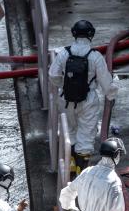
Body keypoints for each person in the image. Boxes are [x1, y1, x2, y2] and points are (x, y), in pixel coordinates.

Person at [49, 20, 119, 174]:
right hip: (88, 101)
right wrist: (113, 89)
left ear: (74, 33)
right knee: (86, 134)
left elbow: (53, 75)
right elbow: (106, 84)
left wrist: (64, 85)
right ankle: (82, 172)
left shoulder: (64, 53)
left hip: (66, 99)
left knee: (71, 130)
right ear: (91, 35)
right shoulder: (95, 57)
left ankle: (71, 163)